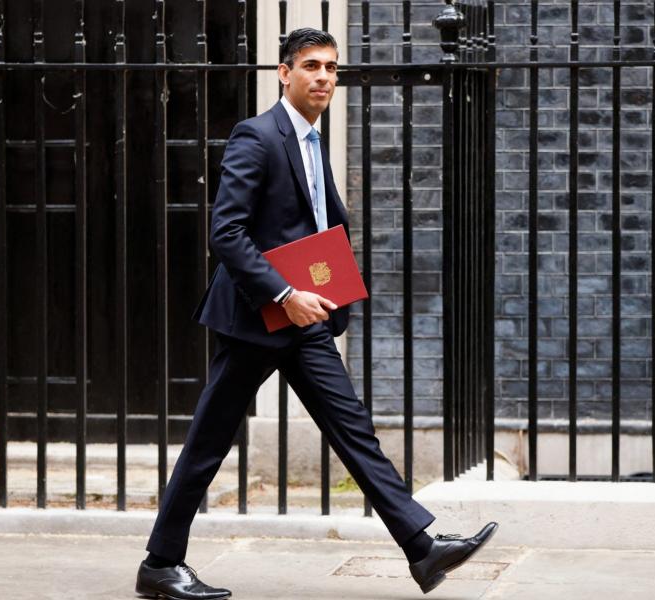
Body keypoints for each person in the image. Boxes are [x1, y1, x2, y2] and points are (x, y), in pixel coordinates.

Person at [135, 28, 497, 600]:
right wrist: (284, 294)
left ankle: (423, 550)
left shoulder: (312, 141)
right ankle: (160, 563)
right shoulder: (256, 137)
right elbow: (226, 234)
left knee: (353, 430)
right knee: (210, 440)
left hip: (304, 322)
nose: (324, 77)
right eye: (311, 66)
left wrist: (327, 293)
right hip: (257, 319)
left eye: (331, 67)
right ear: (285, 73)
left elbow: (319, 227)